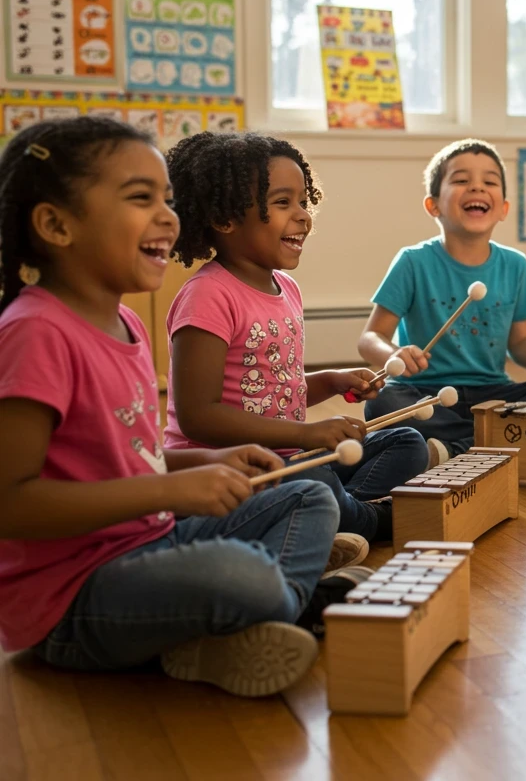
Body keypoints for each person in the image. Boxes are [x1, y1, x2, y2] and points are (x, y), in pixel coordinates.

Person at [0, 118, 339, 695]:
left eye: (167, 199)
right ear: (56, 224)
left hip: (148, 541)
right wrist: (168, 491)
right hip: (72, 597)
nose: (168, 216)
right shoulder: (34, 333)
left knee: (306, 494)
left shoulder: (127, 322)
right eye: (141, 198)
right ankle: (290, 601)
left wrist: (207, 463)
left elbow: (132, 458)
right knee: (240, 573)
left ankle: (246, 618)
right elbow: (11, 503)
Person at [164, 132, 427, 546]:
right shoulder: (207, 295)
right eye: (283, 202)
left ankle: (337, 519)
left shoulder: (286, 289)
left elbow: (275, 394)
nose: (303, 215)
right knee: (318, 480)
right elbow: (199, 415)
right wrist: (305, 435)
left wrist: (332, 380)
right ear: (225, 219)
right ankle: (365, 521)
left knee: (407, 441)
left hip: (292, 461)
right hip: (236, 471)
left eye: (304, 201)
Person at [358, 139, 526, 462]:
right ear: (433, 205)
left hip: (493, 397)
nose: (476, 188)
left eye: (489, 182)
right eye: (461, 180)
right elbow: (370, 338)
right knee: (383, 402)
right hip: (428, 396)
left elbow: (521, 343)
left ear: (503, 208)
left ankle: (456, 450)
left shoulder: (515, 265)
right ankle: (501, 443)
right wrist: (394, 354)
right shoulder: (412, 261)